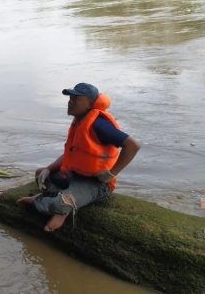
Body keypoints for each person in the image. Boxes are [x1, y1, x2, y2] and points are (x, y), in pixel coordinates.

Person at [17, 83, 140, 232]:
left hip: (98, 183)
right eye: (70, 97)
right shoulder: (79, 121)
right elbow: (71, 154)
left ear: (90, 104)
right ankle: (46, 198)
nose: (71, 101)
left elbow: (133, 145)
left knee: (59, 203)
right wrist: (48, 169)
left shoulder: (99, 124)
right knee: (40, 174)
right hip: (75, 175)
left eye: (77, 98)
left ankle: (58, 209)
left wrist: (111, 173)